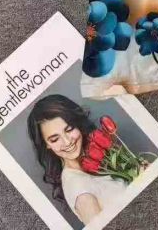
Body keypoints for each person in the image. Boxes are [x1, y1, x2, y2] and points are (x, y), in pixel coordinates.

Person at [27, 94, 127, 224]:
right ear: (46, 144)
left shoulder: (94, 157)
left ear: (77, 124)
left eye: (69, 129)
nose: (67, 141)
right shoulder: (80, 192)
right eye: (55, 139)